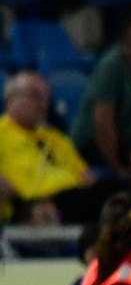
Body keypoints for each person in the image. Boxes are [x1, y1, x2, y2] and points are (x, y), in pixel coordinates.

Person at [70, 1, 131, 180]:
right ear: (130, 31)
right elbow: (103, 123)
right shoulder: (112, 65)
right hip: (92, 146)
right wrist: (117, 167)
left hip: (128, 142)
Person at [0, 70, 96, 223]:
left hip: (70, 197)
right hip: (27, 204)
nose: (43, 104)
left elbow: (86, 175)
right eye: (35, 96)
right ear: (10, 99)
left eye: (46, 98)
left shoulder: (56, 137)